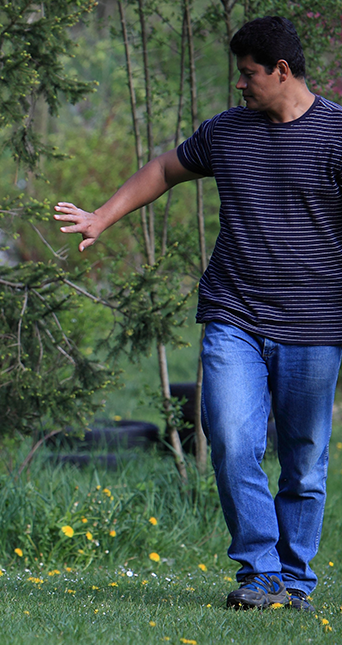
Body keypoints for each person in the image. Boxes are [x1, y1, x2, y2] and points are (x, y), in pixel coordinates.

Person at [54, 16, 342, 612]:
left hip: (316, 324)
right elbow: (164, 169)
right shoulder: (229, 133)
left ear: (281, 71)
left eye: (248, 74)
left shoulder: (337, 135)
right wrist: (103, 216)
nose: (240, 85)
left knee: (304, 458)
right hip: (233, 313)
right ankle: (260, 571)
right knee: (232, 439)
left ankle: (296, 579)